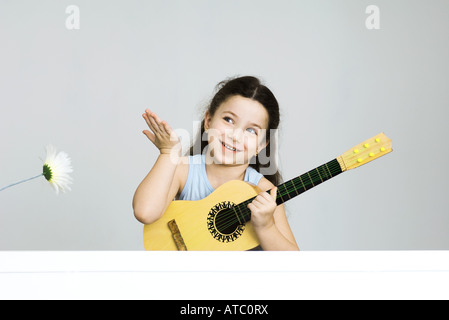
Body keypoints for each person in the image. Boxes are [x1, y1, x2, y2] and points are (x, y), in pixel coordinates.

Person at [133, 76, 299, 251]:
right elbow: (145, 212)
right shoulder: (184, 170)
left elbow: (293, 265)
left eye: (251, 130)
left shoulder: (264, 191)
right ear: (208, 121)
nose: (235, 135)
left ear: (262, 145)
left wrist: (266, 227)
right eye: (228, 120)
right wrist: (168, 153)